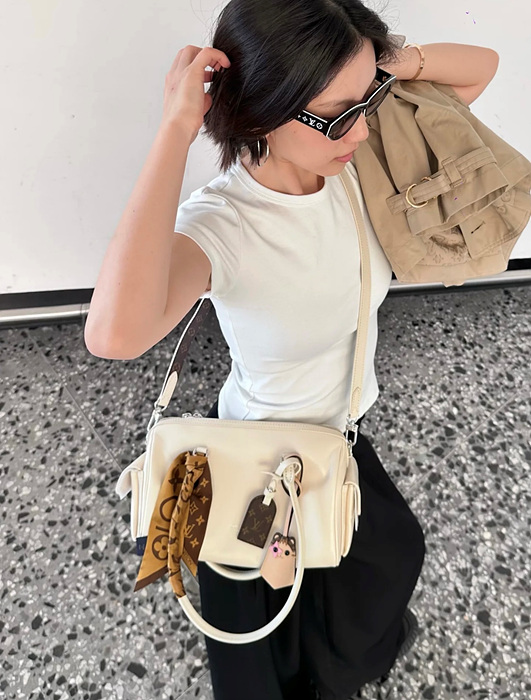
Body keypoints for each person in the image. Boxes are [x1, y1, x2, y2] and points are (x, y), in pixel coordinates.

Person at [84, 1, 426, 698]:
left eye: (369, 99)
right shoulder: (225, 223)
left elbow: (480, 72)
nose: (363, 127)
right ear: (261, 111)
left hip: (340, 432)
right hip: (262, 454)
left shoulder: (351, 165)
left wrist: (373, 63)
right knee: (263, 622)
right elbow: (113, 335)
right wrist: (176, 129)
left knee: (378, 560)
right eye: (336, 112)